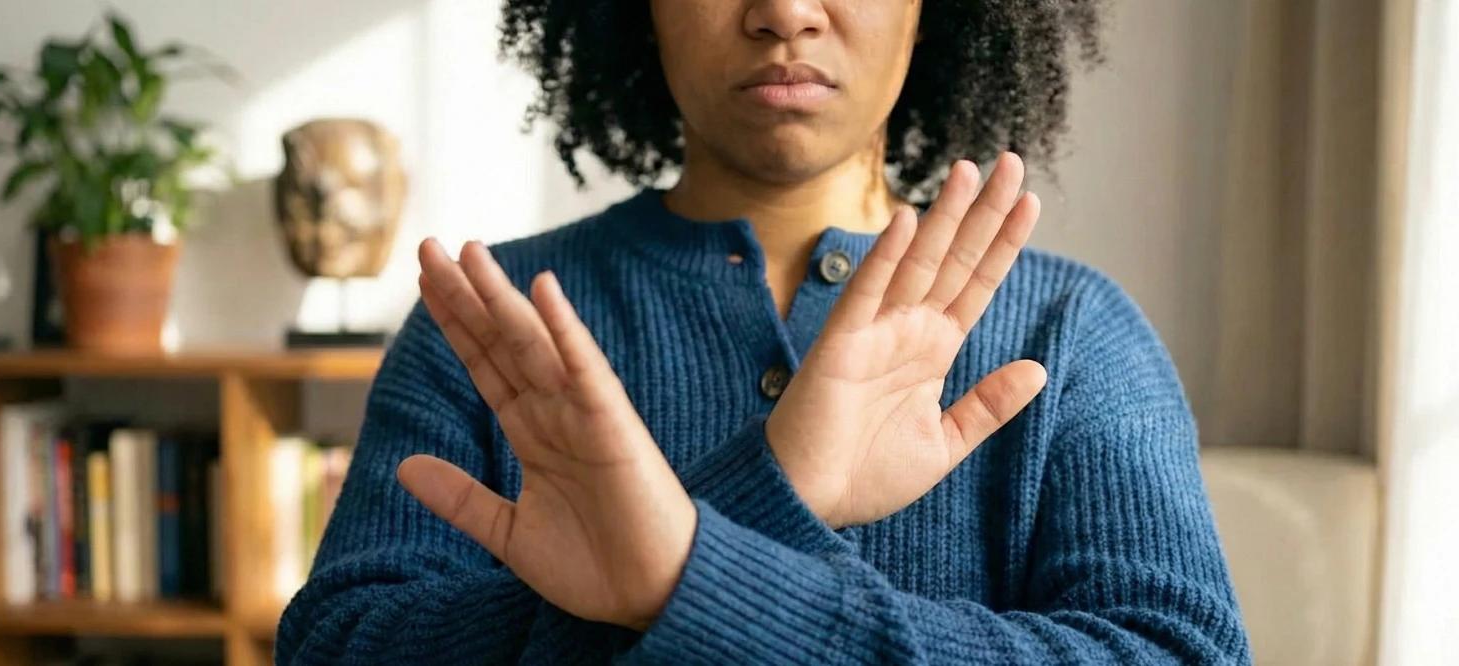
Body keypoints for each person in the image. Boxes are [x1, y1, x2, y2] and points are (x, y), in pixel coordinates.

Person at [276, 1, 1252, 663]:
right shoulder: (493, 323)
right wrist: (772, 487)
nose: (784, 11)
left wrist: (678, 571)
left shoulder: (1070, 333)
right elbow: (336, 646)